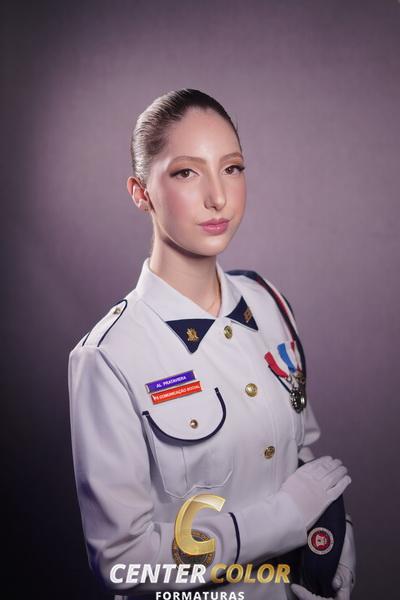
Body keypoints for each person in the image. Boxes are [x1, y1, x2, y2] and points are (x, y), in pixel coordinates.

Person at [68, 89, 356, 600]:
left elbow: (302, 458)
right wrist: (282, 520)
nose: (218, 197)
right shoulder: (109, 357)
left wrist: (334, 545)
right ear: (141, 192)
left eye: (232, 168)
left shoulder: (268, 302)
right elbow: (123, 564)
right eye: (186, 172)